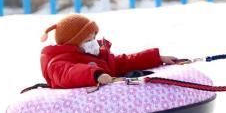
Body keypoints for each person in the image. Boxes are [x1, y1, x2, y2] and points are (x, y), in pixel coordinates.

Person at [39, 13, 183, 89]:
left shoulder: (97, 56)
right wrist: (95, 74)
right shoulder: (58, 63)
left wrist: (157, 58)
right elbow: (69, 73)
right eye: (88, 40)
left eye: (94, 37)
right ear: (73, 44)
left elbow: (123, 62)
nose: (93, 43)